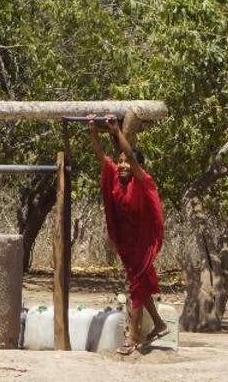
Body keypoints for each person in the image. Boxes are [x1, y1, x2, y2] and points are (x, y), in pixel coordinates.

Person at [89, 115, 166, 355]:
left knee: (136, 288)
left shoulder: (142, 181)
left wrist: (116, 132)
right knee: (140, 286)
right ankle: (160, 324)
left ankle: (132, 338)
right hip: (126, 243)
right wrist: (93, 131)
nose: (122, 165)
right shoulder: (115, 180)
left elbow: (131, 157)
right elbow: (102, 159)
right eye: (120, 162)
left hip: (142, 243)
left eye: (126, 163)